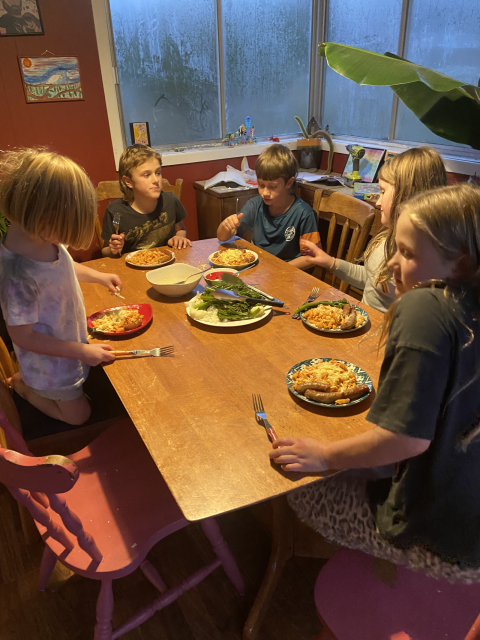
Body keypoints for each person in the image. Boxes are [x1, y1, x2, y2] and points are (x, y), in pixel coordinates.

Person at [270, 183, 480, 580]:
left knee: (294, 484)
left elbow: (406, 440)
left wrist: (326, 456)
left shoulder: (425, 306)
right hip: (469, 517)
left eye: (408, 253)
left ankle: (368, 567)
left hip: (443, 542)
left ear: (461, 262)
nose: (392, 264)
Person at [0, 148, 121, 425]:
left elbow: (63, 267)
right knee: (79, 416)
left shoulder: (43, 239)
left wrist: (98, 276)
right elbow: (24, 337)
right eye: (64, 227)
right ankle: (23, 386)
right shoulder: (16, 274)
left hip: (69, 343)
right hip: (49, 366)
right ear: (43, 216)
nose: (64, 238)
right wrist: (82, 352)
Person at [300, 147, 447, 312]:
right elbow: (370, 279)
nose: (377, 202)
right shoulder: (386, 237)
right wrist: (331, 262)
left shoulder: (421, 263)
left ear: (407, 195)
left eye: (383, 192)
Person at [216, 144, 321, 269]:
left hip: (289, 272)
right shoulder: (255, 205)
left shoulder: (304, 213)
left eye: (272, 186)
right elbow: (222, 237)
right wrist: (225, 226)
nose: (265, 193)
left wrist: (278, 269)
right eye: (261, 185)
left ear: (289, 182)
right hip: (261, 268)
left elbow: (313, 257)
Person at [101, 144, 191, 257]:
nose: (156, 180)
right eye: (147, 175)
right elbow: (104, 250)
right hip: (132, 264)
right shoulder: (115, 211)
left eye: (158, 173)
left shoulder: (171, 200)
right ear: (128, 181)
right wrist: (113, 249)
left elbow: (181, 230)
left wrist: (179, 237)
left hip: (166, 261)